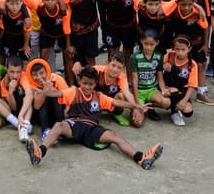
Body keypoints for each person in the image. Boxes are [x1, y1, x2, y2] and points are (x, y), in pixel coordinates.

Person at [24, 66, 163, 170]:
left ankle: (141, 158)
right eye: (84, 83)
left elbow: (116, 102)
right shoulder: (73, 92)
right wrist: (46, 90)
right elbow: (57, 93)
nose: (87, 87)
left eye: (90, 84)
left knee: (114, 135)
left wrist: (135, 106)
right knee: (59, 125)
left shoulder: (99, 97)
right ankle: (40, 152)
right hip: (74, 125)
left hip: (92, 129)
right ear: (79, 81)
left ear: (95, 84)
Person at [60, 0, 101, 76]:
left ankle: (92, 82)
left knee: (90, 59)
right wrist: (61, 3)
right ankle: (71, 84)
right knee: (72, 58)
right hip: (75, 32)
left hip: (91, 29)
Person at [24, 58, 68, 141]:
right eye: (35, 74)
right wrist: (44, 91)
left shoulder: (57, 79)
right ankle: (45, 130)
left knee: (54, 95)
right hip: (41, 116)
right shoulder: (30, 84)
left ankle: (60, 125)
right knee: (44, 95)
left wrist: (50, 90)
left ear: (46, 71)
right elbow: (36, 106)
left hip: (57, 111)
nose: (39, 77)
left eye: (41, 73)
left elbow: (67, 98)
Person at [158, 36, 198, 126]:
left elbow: (192, 85)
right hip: (168, 87)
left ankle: (177, 107)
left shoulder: (192, 64)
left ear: (189, 49)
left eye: (183, 49)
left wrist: (184, 101)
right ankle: (174, 112)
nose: (180, 52)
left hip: (182, 90)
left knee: (188, 111)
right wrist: (164, 65)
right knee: (174, 94)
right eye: (177, 49)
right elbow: (160, 68)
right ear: (174, 48)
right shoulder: (169, 55)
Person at [129, 30, 167, 125]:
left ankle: (149, 107)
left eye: (151, 44)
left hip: (152, 90)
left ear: (157, 43)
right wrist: (137, 103)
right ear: (141, 41)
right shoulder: (135, 57)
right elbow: (134, 80)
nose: (148, 47)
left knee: (166, 102)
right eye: (146, 44)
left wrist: (163, 90)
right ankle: (139, 108)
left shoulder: (159, 56)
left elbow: (160, 76)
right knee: (137, 123)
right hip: (139, 92)